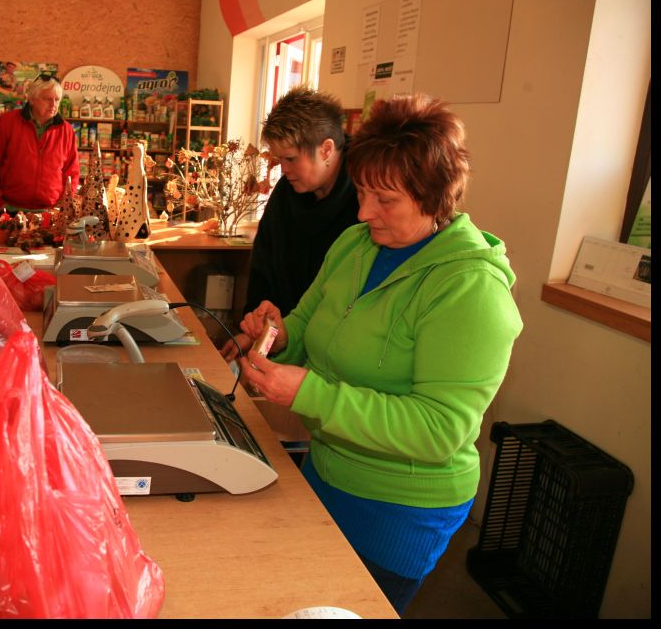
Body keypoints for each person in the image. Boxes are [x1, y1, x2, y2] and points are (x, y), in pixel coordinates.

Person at [237, 93, 523, 615]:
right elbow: (306, 324)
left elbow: (439, 429)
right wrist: (276, 333)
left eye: (385, 200)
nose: (365, 211)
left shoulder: (470, 289)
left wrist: (310, 393)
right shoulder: (356, 244)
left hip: (401, 506)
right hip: (328, 470)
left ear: (435, 198)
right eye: (364, 192)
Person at [220, 86, 359, 362]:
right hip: (284, 342)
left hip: (336, 354)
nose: (283, 169)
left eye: (291, 159)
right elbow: (264, 269)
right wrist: (253, 330)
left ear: (326, 149)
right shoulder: (286, 193)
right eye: (279, 159)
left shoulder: (364, 200)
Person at [0, 73, 79, 216]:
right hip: (9, 210)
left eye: (57, 100)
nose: (53, 104)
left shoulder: (66, 130)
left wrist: (63, 205)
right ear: (32, 99)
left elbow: (72, 173)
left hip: (49, 213)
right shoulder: (7, 122)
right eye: (47, 99)